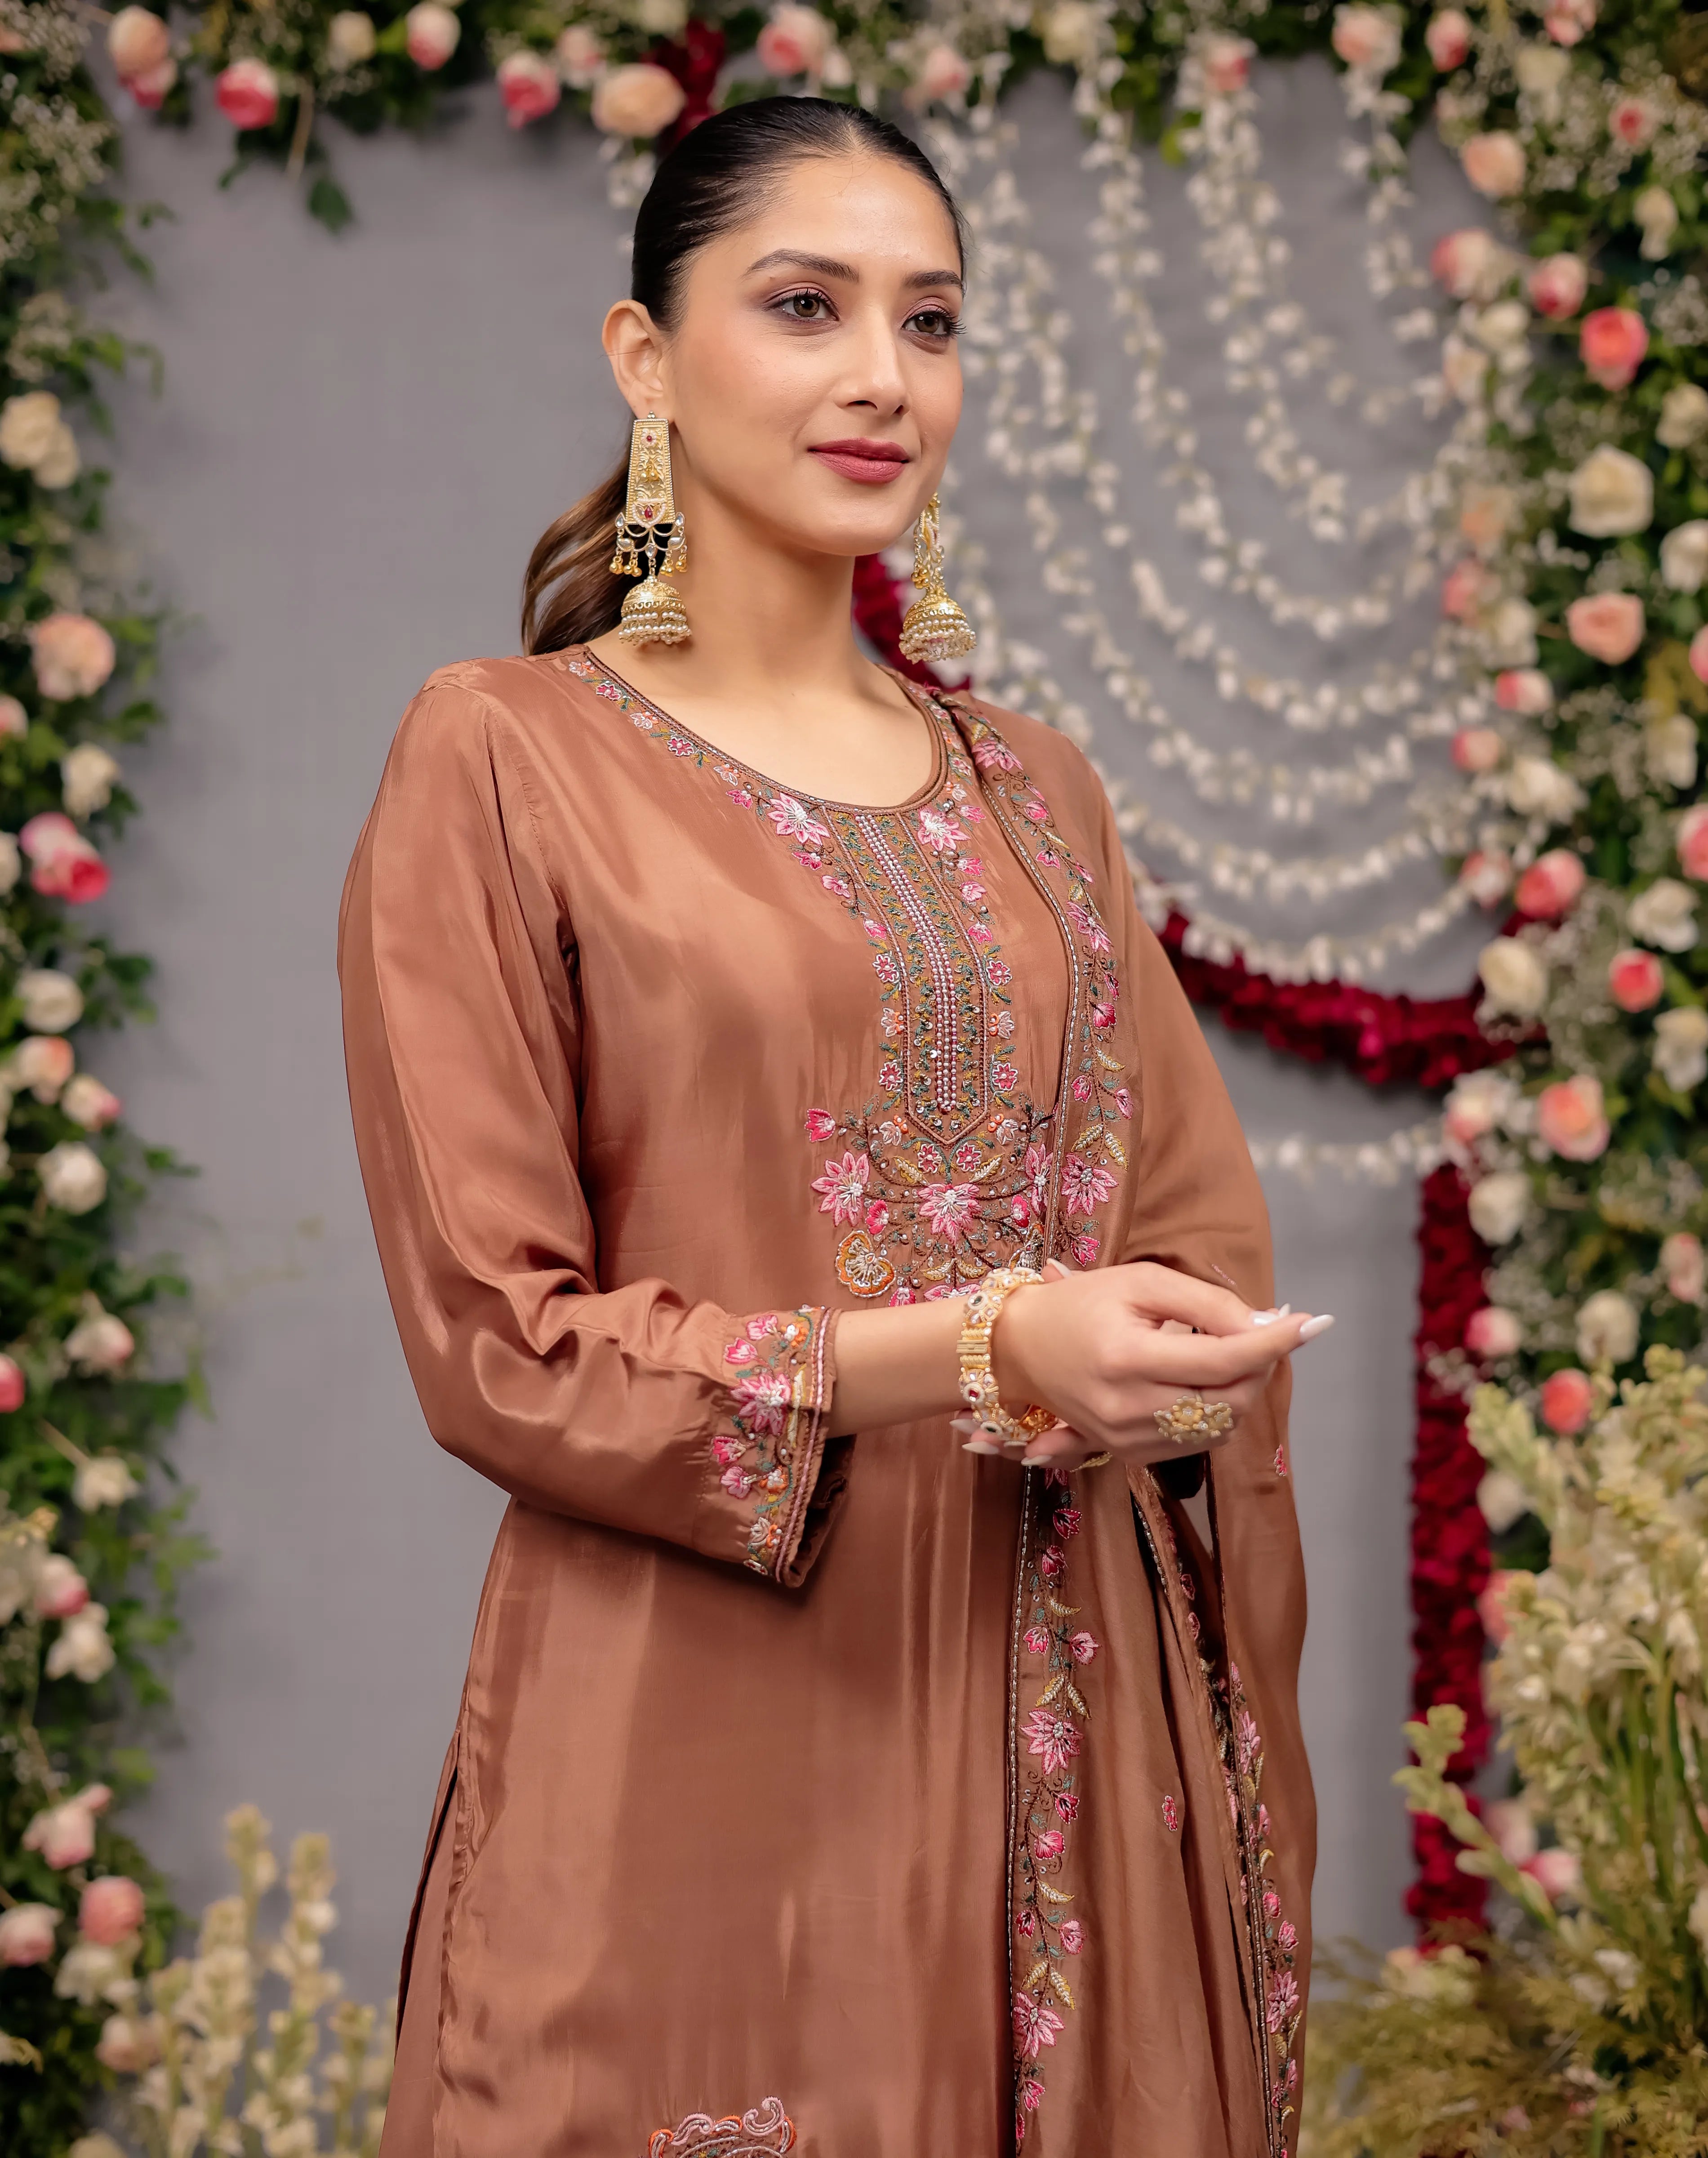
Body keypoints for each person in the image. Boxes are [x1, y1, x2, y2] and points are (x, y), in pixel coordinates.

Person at [339, 96, 1322, 2158]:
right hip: (700, 1721)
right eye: (806, 306)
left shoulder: (1035, 790)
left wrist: (1163, 1351)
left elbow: (1182, 1224)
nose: (884, 374)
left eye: (931, 321)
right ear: (645, 358)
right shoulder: (503, 759)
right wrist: (973, 1351)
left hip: (1066, 1708)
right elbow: (500, 1345)